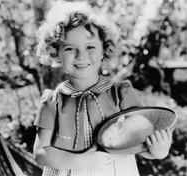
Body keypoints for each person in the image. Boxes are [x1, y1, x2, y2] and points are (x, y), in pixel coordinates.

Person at [33, 1, 172, 175]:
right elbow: (40, 152)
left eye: (90, 47)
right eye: (70, 48)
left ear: (104, 50)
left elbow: (139, 140)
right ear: (56, 52)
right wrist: (80, 161)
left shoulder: (121, 94)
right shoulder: (53, 101)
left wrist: (158, 151)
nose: (81, 55)